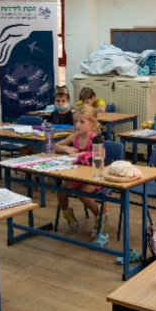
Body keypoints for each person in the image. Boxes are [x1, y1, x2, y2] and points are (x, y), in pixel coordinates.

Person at [54, 105, 108, 245]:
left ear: (92, 123)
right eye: (75, 121)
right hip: (78, 176)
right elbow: (56, 146)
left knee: (83, 193)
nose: (77, 125)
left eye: (81, 122)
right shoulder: (75, 136)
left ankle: (99, 216)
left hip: (95, 176)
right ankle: (68, 214)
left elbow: (101, 156)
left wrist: (84, 154)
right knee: (61, 191)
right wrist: (66, 147)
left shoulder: (95, 138)